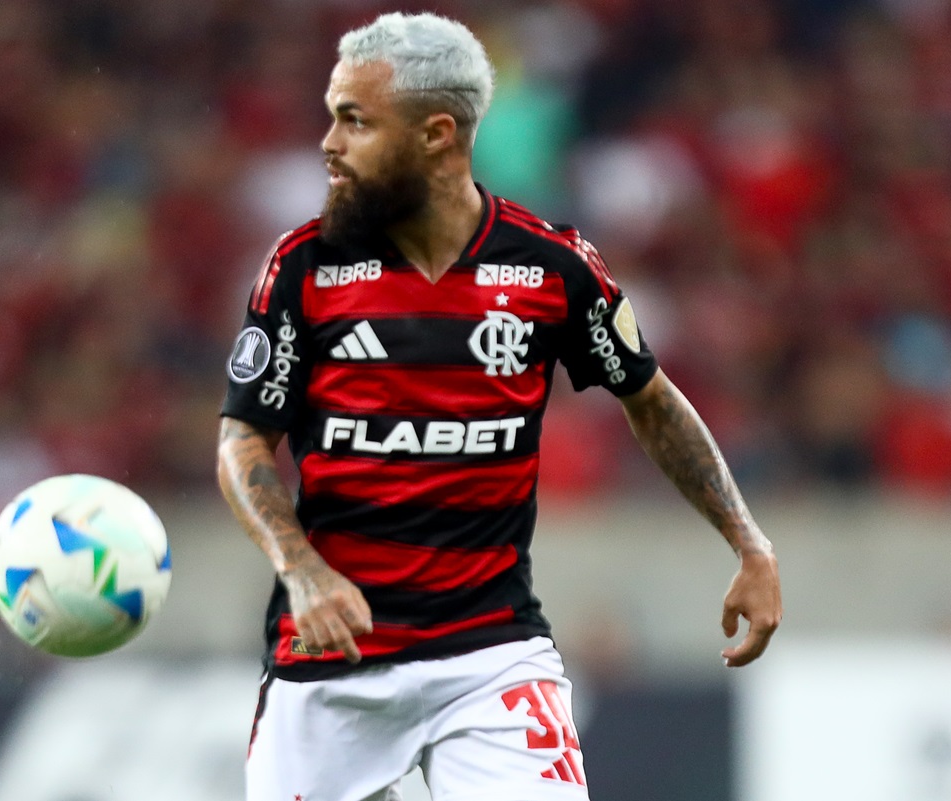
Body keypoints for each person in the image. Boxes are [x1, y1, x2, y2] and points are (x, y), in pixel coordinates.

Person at [217, 11, 782, 801]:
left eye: (355, 120)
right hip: (330, 661)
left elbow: (650, 400)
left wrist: (749, 544)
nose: (328, 144)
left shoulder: (551, 268)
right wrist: (302, 571)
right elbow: (243, 442)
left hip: (489, 656)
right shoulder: (304, 268)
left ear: (436, 135)